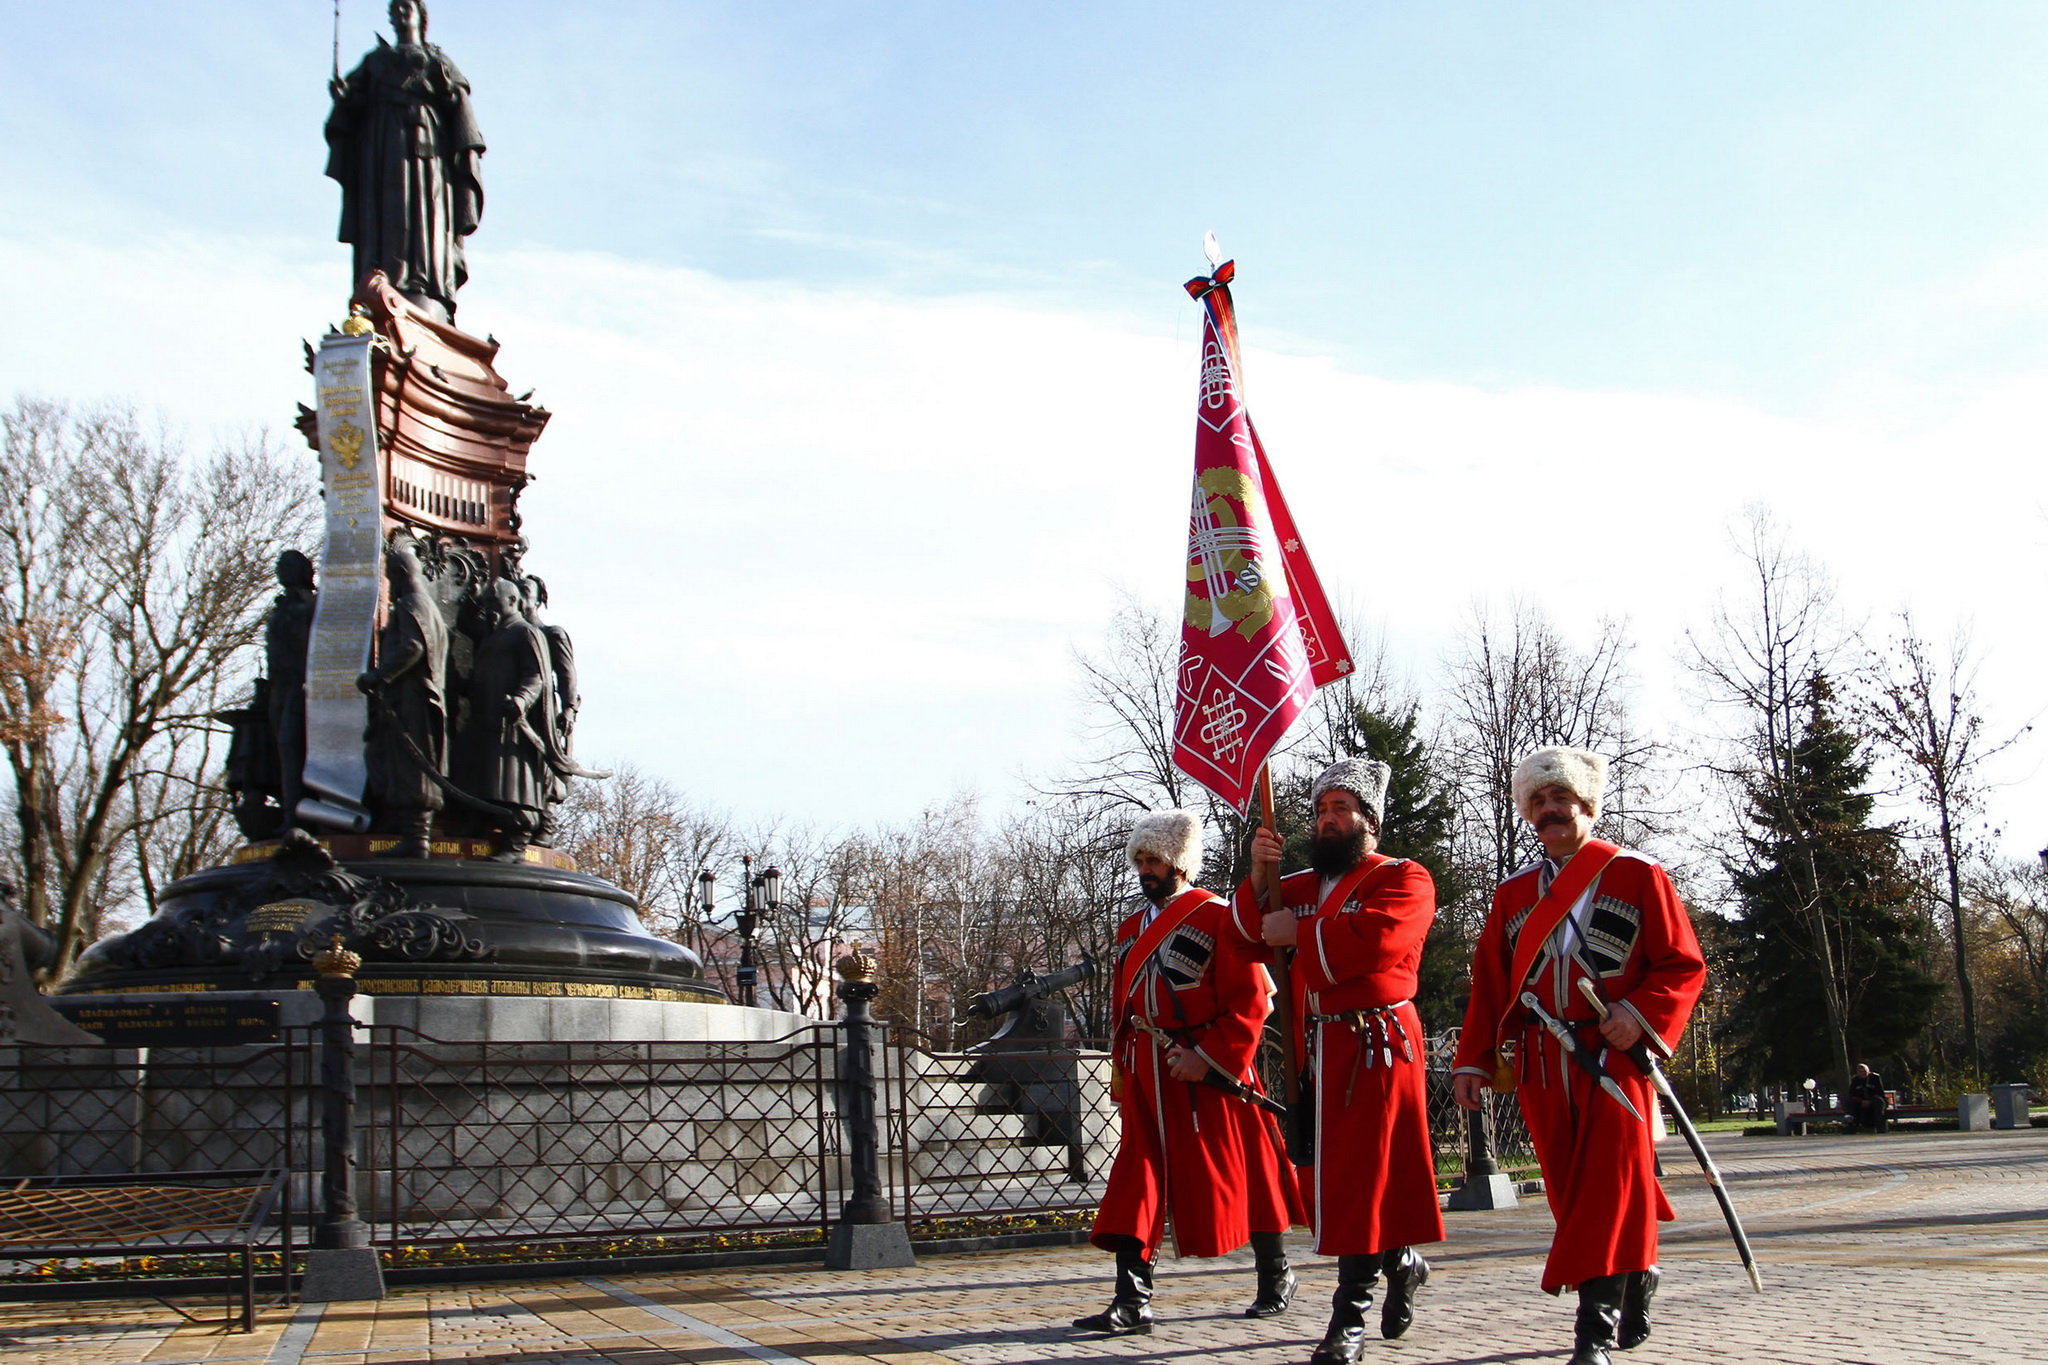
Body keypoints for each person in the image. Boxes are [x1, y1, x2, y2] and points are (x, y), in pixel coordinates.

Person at [1452, 747, 1706, 1365]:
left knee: (1608, 1187)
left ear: (1587, 806)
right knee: (1570, 1192)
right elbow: (1491, 982)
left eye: (1560, 799)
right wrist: (1474, 1059)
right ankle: (1636, 1269)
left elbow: (1681, 963)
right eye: (1537, 803)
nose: (1549, 811)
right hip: (1541, 1058)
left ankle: (1592, 1333)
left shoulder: (1638, 874)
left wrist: (1638, 1013)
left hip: (1615, 1058)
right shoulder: (1513, 895)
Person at [1234, 758, 1444, 1364]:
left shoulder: (1404, 877)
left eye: (1342, 809)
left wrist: (1299, 935)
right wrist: (1257, 875)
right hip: (1314, 1047)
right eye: (1322, 810)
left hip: (1376, 1043)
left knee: (1361, 1178)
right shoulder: (1293, 886)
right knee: (1333, 1181)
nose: (1328, 820)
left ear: (1369, 822)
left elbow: (1380, 942)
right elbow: (1243, 936)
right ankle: (1400, 1260)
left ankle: (1347, 1318)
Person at [1077, 809, 1304, 1337]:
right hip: (1147, 1073)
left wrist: (1208, 1056)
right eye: (1141, 860)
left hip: (1210, 1073)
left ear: (1179, 862)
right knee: (1138, 1179)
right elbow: (1122, 1003)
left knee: (1247, 1172)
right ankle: (1132, 1301)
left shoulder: (1220, 916)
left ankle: (1276, 1274)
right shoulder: (1131, 928)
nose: (1145, 869)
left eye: (1154, 859)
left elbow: (1251, 1003)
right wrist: (1121, 1064)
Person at [325, 0, 486, 320]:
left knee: (422, 214)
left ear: (420, 16)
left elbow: (459, 108)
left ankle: (425, 284)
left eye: (406, 8)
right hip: (381, 149)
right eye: (394, 9)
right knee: (383, 215)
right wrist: (344, 98)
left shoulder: (436, 60)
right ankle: (378, 282)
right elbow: (352, 106)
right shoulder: (374, 62)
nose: (399, 13)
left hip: (425, 151)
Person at [1847, 1064, 1887, 1133]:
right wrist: (1861, 1101)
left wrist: (1869, 1101)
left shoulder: (1875, 1078)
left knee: (1879, 1102)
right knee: (1850, 1103)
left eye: (1864, 1071)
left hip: (1873, 1100)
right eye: (1860, 1071)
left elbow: (1880, 1092)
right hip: (1860, 1101)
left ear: (1868, 1071)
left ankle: (1881, 1128)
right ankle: (1851, 1127)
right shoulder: (1855, 1080)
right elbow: (1852, 1094)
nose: (1863, 1073)